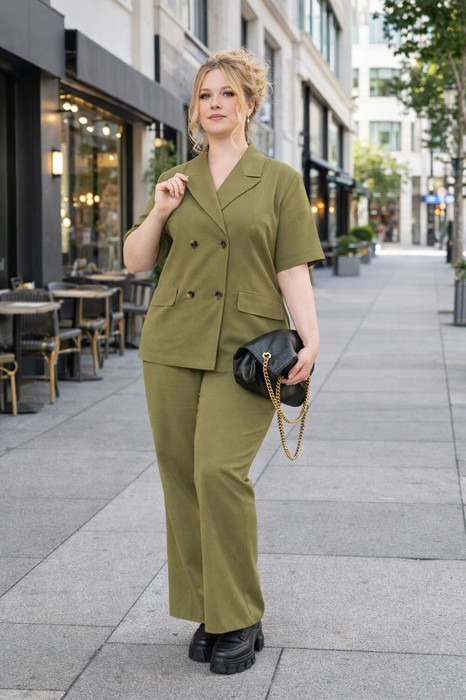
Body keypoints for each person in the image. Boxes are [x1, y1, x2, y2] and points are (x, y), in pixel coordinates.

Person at [123, 49, 324, 675]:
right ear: (195, 109)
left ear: (249, 104)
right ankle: (208, 610)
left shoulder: (279, 180)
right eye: (205, 95)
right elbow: (135, 260)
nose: (215, 104)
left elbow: (292, 266)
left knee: (218, 472)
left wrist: (311, 340)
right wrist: (160, 210)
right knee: (181, 476)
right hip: (173, 343)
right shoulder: (176, 178)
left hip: (246, 347)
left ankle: (240, 615)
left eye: (227, 94)